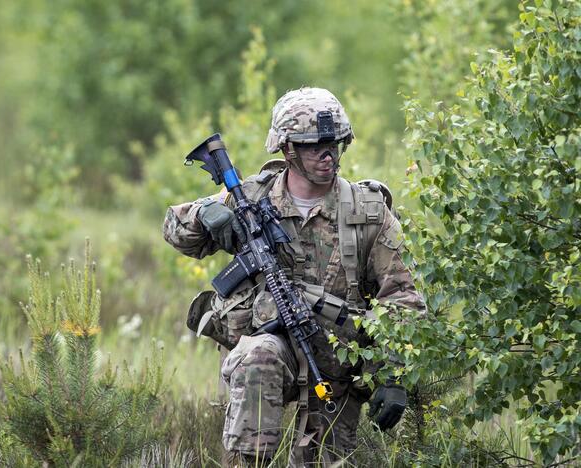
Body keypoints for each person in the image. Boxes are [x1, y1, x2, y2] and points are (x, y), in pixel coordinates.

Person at [162, 87, 426, 466]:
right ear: (287, 149)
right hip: (273, 349)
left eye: (334, 143)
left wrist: (393, 374)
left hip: (339, 363)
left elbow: (404, 299)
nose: (327, 154)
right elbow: (173, 227)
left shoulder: (367, 212)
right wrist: (204, 215)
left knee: (326, 460)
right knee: (258, 355)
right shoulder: (251, 198)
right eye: (313, 145)